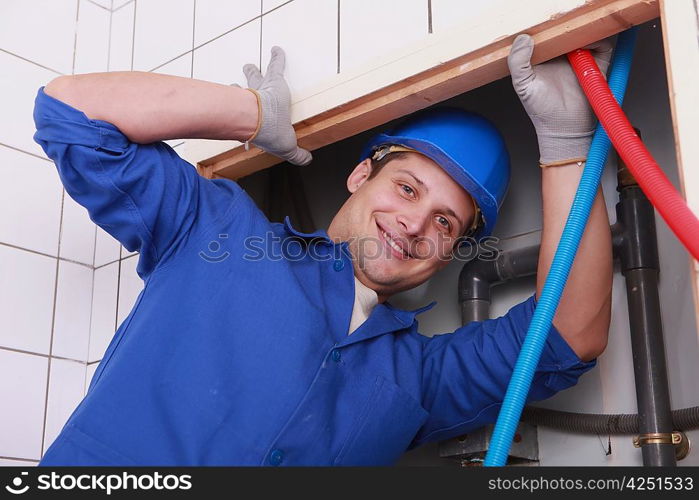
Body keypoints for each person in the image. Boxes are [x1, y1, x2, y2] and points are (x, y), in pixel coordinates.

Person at [33, 34, 612, 466]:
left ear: (452, 252)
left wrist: (567, 147)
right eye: (406, 188)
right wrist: (255, 115)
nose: (412, 223)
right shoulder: (218, 232)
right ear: (360, 174)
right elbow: (71, 114)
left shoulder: (424, 379)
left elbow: (571, 334)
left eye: (444, 222)